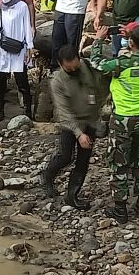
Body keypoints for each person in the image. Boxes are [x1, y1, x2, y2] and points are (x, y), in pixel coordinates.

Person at [91, 24, 139, 224]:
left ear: (131, 42)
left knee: (119, 163)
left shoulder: (123, 63)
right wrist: (135, 38)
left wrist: (98, 40)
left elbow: (97, 62)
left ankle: (120, 209)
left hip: (124, 118)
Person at [42, 43, 110, 209]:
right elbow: (64, 112)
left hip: (91, 120)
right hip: (70, 123)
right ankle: (48, 175)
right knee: (66, 156)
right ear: (60, 65)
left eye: (75, 67)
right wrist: (79, 134)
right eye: (69, 69)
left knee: (83, 160)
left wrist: (98, 42)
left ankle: (72, 196)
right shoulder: (57, 82)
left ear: (79, 60)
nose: (73, 71)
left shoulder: (87, 66)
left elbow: (104, 74)